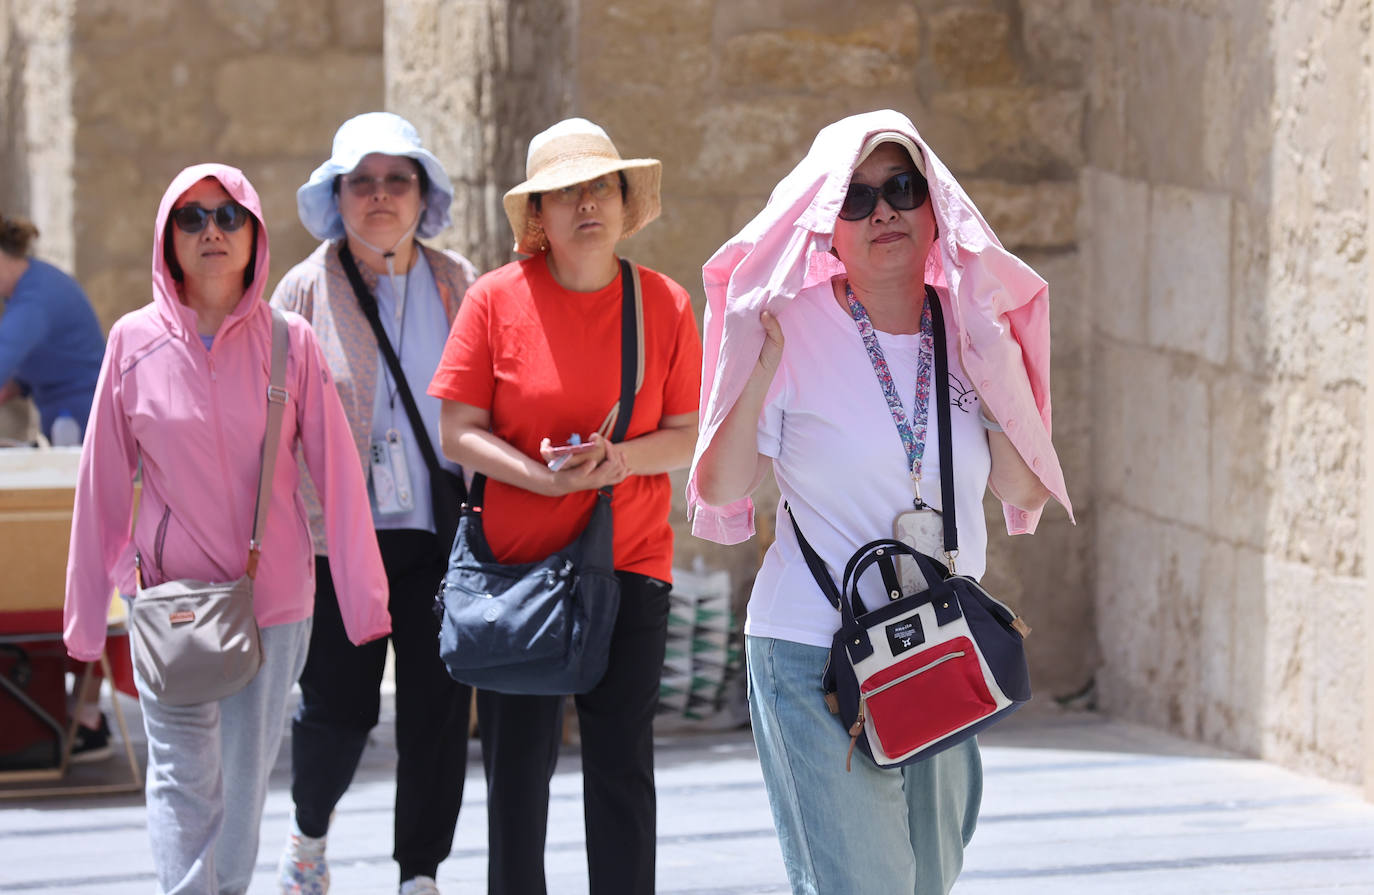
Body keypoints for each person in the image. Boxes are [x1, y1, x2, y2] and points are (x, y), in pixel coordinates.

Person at [690, 110, 1073, 895]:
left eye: (901, 188)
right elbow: (723, 487)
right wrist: (756, 363)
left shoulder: (967, 325)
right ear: (827, 226)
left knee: (927, 878)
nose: (883, 212)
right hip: (813, 653)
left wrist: (1001, 371)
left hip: (936, 644)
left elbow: (1024, 487)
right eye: (856, 200)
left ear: (935, 208)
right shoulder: (791, 326)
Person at [63, 163, 390, 895]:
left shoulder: (291, 342)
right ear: (167, 237)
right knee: (180, 776)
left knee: (242, 783)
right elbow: (101, 487)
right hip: (169, 602)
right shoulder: (131, 342)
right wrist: (91, 615)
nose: (211, 231)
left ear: (253, 234)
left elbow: (338, 476)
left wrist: (366, 600)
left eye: (228, 216)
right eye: (191, 218)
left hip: (270, 603)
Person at [428, 117, 702, 895]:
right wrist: (540, 478)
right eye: (566, 192)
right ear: (537, 219)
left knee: (621, 768)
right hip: (519, 574)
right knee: (517, 781)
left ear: (624, 202)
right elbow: (457, 430)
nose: (588, 203)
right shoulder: (494, 299)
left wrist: (617, 460)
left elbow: (685, 435)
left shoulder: (665, 304)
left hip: (629, 563)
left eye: (601, 187)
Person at [270, 112, 478, 895]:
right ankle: (309, 834)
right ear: (336, 195)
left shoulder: (457, 280)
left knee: (436, 713)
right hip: (334, 542)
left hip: (439, 535)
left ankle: (419, 872)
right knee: (338, 710)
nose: (382, 195)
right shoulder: (302, 287)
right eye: (363, 181)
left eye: (399, 179)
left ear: (424, 193)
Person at [0, 213, 112, 757]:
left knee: (80, 575)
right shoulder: (38, 286)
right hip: (70, 433)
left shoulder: (33, 301)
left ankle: (85, 713)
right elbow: (20, 375)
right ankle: (82, 712)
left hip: (81, 438)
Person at [0, 213, 104, 443]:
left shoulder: (34, 299)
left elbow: (5, 351)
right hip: (68, 419)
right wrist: (15, 385)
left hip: (82, 420)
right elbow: (53, 356)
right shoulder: (33, 280)